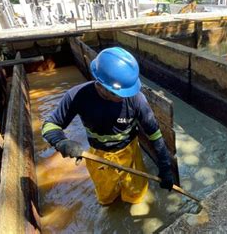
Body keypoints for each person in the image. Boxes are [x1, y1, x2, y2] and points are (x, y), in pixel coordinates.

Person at [41, 47, 175, 205]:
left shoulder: (136, 99)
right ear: (100, 85)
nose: (125, 96)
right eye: (118, 94)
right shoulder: (77, 96)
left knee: (136, 195)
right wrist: (61, 142)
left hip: (129, 152)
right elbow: (49, 125)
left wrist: (165, 167)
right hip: (99, 156)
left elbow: (155, 135)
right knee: (106, 197)